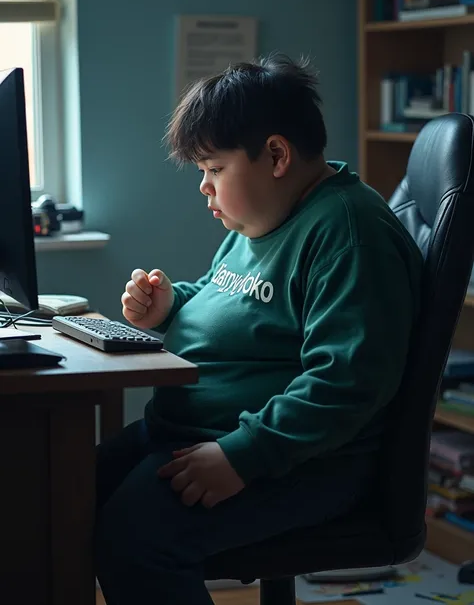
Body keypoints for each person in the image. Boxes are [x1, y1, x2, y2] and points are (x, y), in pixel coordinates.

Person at [95, 54, 423, 605]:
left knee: (134, 538)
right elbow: (226, 295)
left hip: (296, 460)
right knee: (59, 489)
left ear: (275, 155)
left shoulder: (346, 233)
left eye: (215, 170)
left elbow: (347, 381)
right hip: (189, 432)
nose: (204, 187)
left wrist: (244, 455)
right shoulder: (259, 220)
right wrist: (171, 305)